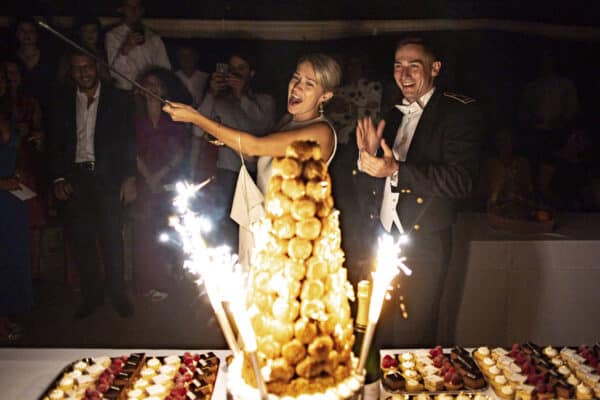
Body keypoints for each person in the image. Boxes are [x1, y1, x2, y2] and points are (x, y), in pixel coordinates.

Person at [354, 36, 483, 347]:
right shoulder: (393, 113)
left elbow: (461, 181)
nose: (404, 74)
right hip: (380, 239)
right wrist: (366, 162)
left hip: (424, 245)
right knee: (375, 332)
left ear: (435, 68)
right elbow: (374, 184)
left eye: (415, 65)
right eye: (399, 66)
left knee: (413, 340)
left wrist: (397, 169)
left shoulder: (458, 112)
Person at [163, 53, 341, 263]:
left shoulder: (320, 132)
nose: (297, 87)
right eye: (296, 78)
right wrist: (224, 139)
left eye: (309, 84)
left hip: (294, 239)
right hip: (266, 226)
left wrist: (196, 118)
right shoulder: (287, 122)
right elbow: (256, 156)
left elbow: (254, 146)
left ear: (325, 96)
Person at [47, 49, 137, 319]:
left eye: (87, 67)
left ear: (96, 67)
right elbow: (54, 142)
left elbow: (128, 141)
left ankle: (118, 293)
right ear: (70, 71)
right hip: (75, 178)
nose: (83, 73)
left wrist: (129, 176)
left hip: (107, 177)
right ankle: (92, 294)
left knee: (112, 238)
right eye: (76, 68)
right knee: (81, 240)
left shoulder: (118, 99)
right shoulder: (60, 99)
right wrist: (58, 177)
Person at [189, 50, 275, 250]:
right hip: (228, 173)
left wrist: (241, 95)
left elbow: (262, 127)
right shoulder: (219, 102)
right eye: (231, 68)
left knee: (257, 229)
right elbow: (197, 128)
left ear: (251, 73)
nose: (235, 73)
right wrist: (210, 93)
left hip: (259, 173)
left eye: (240, 68)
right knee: (226, 230)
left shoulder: (264, 101)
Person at [132, 67, 190, 301]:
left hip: (168, 181)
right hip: (143, 181)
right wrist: (147, 177)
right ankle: (146, 282)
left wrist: (159, 176)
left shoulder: (173, 119)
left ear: (164, 89)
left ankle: (166, 281)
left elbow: (180, 152)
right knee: (144, 233)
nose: (152, 88)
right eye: (148, 84)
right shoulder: (135, 119)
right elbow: (132, 151)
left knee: (167, 231)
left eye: (157, 84)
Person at [3, 59, 47, 280]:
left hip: (25, 164)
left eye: (13, 72)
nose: (9, 77)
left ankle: (34, 271)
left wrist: (38, 137)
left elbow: (38, 133)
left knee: (32, 219)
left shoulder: (30, 102)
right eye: (5, 73)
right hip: (4, 169)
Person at [0, 64, 33, 342]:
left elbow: (18, 150)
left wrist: (20, 169)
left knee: (11, 257)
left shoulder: (8, 115)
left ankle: (8, 313)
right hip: (2, 190)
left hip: (12, 200)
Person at [105, 0, 171, 90]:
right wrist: (126, 48)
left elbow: (165, 69)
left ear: (142, 10)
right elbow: (114, 73)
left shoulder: (153, 38)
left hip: (149, 94)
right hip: (125, 92)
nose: (134, 10)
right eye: (129, 7)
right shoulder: (113, 36)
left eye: (137, 6)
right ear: (122, 9)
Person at [57, 16, 111, 86]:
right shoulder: (70, 53)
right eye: (86, 30)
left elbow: (108, 78)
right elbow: (62, 78)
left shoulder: (104, 53)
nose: (90, 34)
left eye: (94, 30)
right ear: (80, 32)